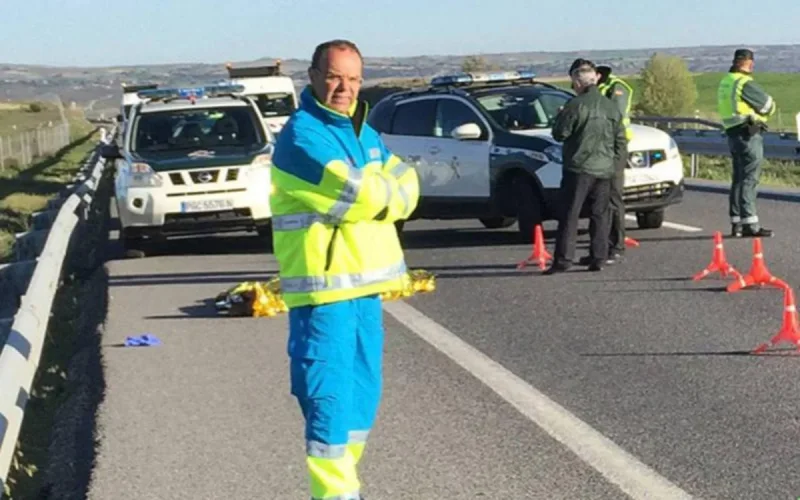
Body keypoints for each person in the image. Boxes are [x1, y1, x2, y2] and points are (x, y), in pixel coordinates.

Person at [269, 39, 420, 499]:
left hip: (363, 293)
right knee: (330, 408)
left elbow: (408, 185)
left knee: (359, 406)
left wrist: (385, 195)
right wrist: (384, 195)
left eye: (354, 79)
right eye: (335, 76)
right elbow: (360, 195)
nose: (345, 88)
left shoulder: (360, 132)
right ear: (313, 76)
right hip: (324, 300)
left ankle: (345, 491)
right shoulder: (302, 137)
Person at [545, 58, 628, 274]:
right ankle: (599, 257)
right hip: (605, 169)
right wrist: (615, 165)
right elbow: (620, 139)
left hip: (579, 168)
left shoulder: (575, 105)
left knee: (570, 215)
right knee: (600, 214)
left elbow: (560, 133)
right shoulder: (611, 106)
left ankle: (563, 260)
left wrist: (561, 116)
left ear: (577, 82)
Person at [717, 48, 776, 237]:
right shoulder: (744, 83)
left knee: (738, 179)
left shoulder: (726, 82)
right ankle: (751, 224)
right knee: (750, 179)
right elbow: (768, 106)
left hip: (733, 134)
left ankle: (737, 223)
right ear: (749, 63)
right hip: (748, 134)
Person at [596, 65, 634, 261]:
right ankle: (604, 244)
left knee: (613, 195)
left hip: (615, 145)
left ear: (599, 74)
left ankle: (617, 243)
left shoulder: (617, 87)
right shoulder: (600, 88)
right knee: (603, 196)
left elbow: (614, 116)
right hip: (602, 146)